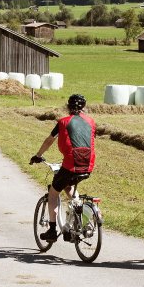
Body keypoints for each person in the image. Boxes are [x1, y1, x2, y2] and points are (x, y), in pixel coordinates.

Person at [30, 94, 97, 242]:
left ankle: (52, 231)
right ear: (84, 107)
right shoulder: (91, 122)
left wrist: (38, 155)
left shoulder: (63, 122)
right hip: (88, 164)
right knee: (68, 185)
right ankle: (80, 217)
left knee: (54, 192)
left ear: (68, 106)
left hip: (70, 164)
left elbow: (49, 140)